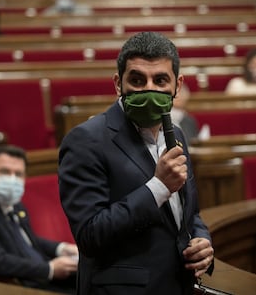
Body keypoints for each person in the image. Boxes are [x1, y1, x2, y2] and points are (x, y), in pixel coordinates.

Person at [59, 31, 214, 295]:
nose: (149, 89)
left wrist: (202, 239)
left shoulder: (176, 134)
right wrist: (158, 187)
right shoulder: (86, 140)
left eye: (161, 80)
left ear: (178, 85)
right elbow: (89, 236)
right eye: (138, 80)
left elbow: (190, 212)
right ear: (119, 84)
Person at [0, 145, 78, 294]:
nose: (12, 179)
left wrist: (61, 248)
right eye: (5, 172)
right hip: (20, 286)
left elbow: (28, 240)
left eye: (18, 174)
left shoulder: (15, 205)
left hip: (41, 278)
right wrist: (49, 269)